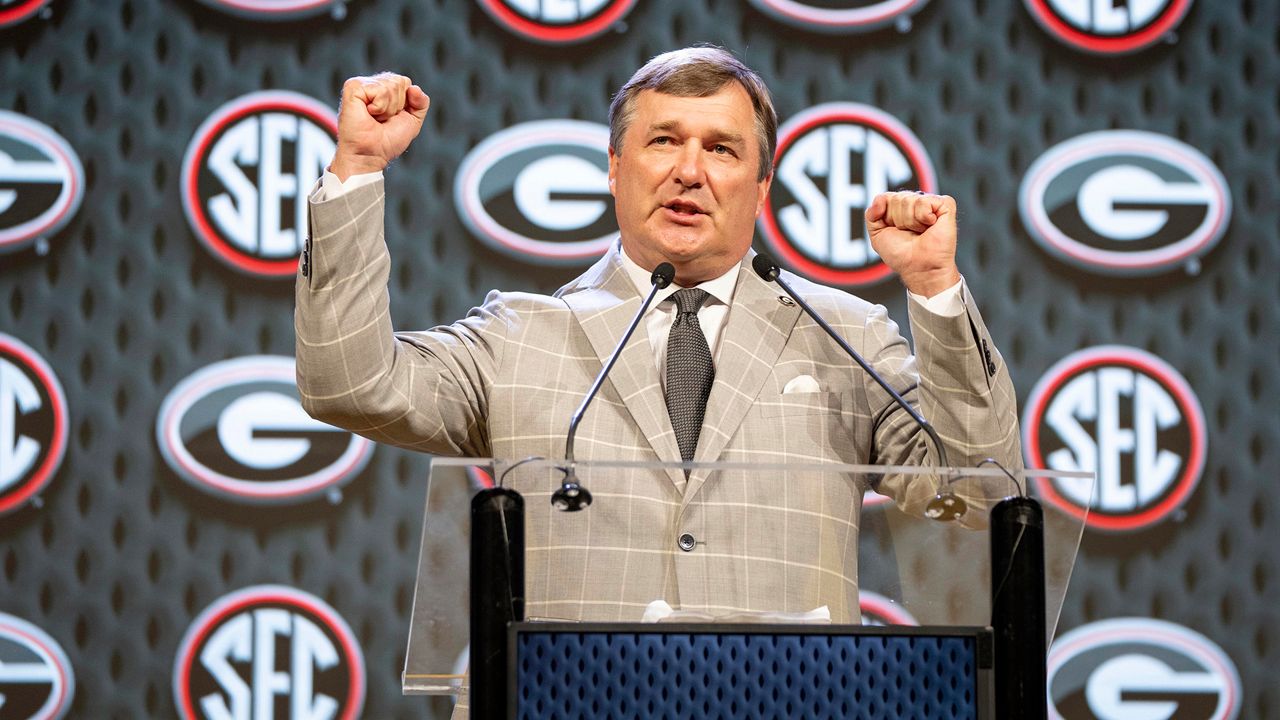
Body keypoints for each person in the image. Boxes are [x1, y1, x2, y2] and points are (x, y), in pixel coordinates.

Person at [295, 46, 1021, 626]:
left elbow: (979, 490)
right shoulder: (521, 336)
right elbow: (348, 383)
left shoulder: (845, 335)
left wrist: (933, 290)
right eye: (664, 141)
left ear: (761, 187)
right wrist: (357, 169)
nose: (689, 171)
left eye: (723, 150)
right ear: (615, 168)